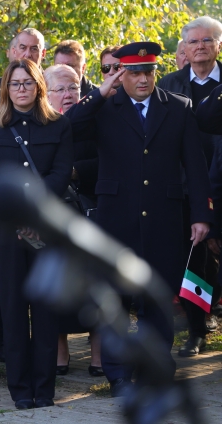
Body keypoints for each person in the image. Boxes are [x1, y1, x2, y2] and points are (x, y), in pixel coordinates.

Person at [67, 42, 212, 397]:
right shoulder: (104, 108)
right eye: (134, 72)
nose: (143, 79)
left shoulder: (177, 108)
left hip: (164, 219)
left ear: (155, 72)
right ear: (122, 74)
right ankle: (117, 375)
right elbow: (69, 127)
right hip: (117, 221)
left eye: (148, 71)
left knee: (159, 297)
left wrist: (201, 216)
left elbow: (195, 168)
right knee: (115, 299)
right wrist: (101, 92)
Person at [0, 59, 73, 409]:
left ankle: (44, 390)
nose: (21, 89)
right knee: (14, 312)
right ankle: (20, 390)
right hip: (7, 231)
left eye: (27, 83)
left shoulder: (58, 125)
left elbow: (61, 173)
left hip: (46, 230)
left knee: (46, 311)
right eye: (15, 84)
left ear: (38, 86)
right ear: (6, 88)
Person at [158, 16, 222, 357]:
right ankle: (197, 329)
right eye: (194, 42)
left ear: (218, 45)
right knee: (194, 261)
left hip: (221, 181)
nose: (200, 47)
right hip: (184, 187)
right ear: (184, 48)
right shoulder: (169, 84)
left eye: (207, 40)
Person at [43, 64, 103, 377]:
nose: (68, 95)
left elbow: (106, 159)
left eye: (74, 88)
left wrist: (76, 172)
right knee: (56, 285)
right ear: (47, 93)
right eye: (61, 89)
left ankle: (98, 355)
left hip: (90, 211)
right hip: (54, 218)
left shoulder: (93, 120)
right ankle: (60, 352)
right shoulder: (40, 124)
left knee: (95, 285)